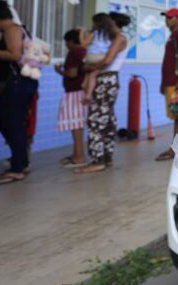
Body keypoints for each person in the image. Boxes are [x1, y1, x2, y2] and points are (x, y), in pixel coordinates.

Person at [0, 0, 37, 186]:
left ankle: (17, 167)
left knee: (9, 124)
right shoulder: (17, 29)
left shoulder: (12, 30)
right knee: (9, 124)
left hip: (17, 84)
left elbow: (14, 55)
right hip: (20, 83)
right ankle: (20, 161)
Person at [74, 12, 129, 174]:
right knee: (107, 118)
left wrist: (89, 68)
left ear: (112, 22)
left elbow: (106, 61)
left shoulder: (120, 38)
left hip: (106, 79)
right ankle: (106, 157)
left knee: (96, 118)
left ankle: (98, 160)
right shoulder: (112, 38)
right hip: (107, 79)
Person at [156, 8, 178, 161]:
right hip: (170, 82)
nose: (167, 20)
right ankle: (177, 147)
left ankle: (175, 149)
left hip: (177, 82)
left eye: (170, 17)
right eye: (166, 17)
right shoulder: (173, 35)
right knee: (177, 115)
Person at [54, 28, 87, 167]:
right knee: (78, 124)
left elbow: (72, 74)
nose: (66, 45)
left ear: (71, 41)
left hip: (74, 92)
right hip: (82, 91)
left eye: (66, 42)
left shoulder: (74, 52)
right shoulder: (84, 51)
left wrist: (59, 71)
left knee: (75, 125)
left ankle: (79, 157)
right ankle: (77, 154)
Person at [79, 14, 113, 105]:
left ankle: (84, 84)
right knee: (93, 75)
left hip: (90, 56)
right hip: (101, 57)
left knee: (88, 72)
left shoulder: (94, 33)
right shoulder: (111, 35)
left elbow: (83, 45)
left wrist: (81, 32)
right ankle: (88, 95)